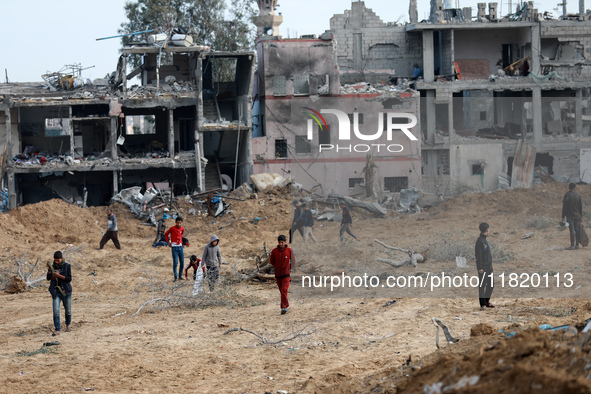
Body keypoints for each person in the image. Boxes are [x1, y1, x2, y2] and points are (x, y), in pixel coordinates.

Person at [46, 251, 72, 336]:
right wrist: (49, 270)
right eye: (55, 260)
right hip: (55, 292)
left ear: (62, 259)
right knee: (56, 311)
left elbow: (69, 279)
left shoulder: (67, 266)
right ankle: (57, 329)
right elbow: (48, 278)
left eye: (58, 260)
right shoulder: (52, 266)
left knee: (68, 311)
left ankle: (68, 325)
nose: (56, 262)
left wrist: (59, 276)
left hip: (66, 292)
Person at [270, 234, 296, 315]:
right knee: (282, 291)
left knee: (284, 290)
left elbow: (293, 261)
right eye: (279, 242)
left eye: (282, 242)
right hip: (278, 275)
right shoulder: (274, 251)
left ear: (285, 242)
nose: (281, 244)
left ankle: (283, 307)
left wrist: (288, 268)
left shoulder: (289, 251)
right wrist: (277, 267)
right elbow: (272, 261)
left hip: (286, 275)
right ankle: (287, 306)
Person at [475, 222, 494, 311]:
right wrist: (480, 268)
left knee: (491, 285)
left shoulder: (484, 240)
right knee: (482, 286)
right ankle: (482, 304)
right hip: (483, 268)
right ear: (487, 230)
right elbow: (478, 256)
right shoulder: (480, 241)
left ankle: (486, 301)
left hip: (489, 267)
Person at [562, 182, 583, 250]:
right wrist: (581, 216)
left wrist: (563, 217)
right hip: (577, 215)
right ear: (574, 188)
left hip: (570, 216)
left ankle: (572, 245)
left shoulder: (567, 195)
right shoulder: (578, 196)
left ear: (569, 188)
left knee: (571, 230)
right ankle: (577, 245)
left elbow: (564, 207)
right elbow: (580, 207)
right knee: (577, 230)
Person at [165, 217, 185, 281]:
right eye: (178, 223)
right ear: (175, 222)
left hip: (180, 247)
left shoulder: (182, 228)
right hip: (174, 247)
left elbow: (181, 235)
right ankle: (175, 278)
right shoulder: (172, 228)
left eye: (180, 223)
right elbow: (166, 234)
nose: (179, 224)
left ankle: (180, 276)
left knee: (182, 262)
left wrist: (181, 242)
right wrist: (168, 242)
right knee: (175, 263)